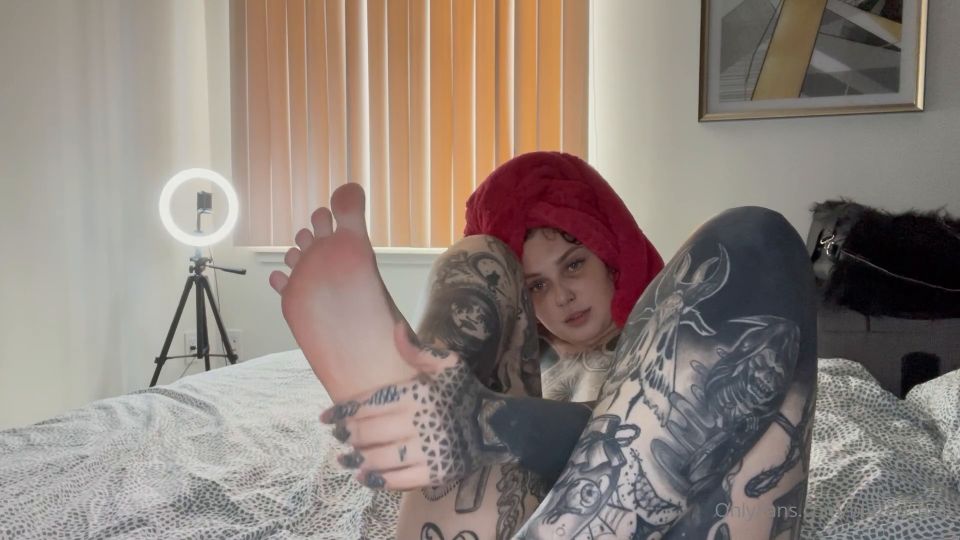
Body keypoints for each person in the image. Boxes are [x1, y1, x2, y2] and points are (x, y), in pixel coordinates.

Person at [268, 152, 817, 539]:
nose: (562, 296)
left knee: (754, 236)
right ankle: (417, 391)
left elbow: (654, 430)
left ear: (612, 255)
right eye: (536, 286)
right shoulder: (522, 365)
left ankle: (438, 411)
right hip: (484, 520)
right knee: (480, 254)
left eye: (573, 265)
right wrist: (473, 415)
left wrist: (491, 423)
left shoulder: (680, 335)